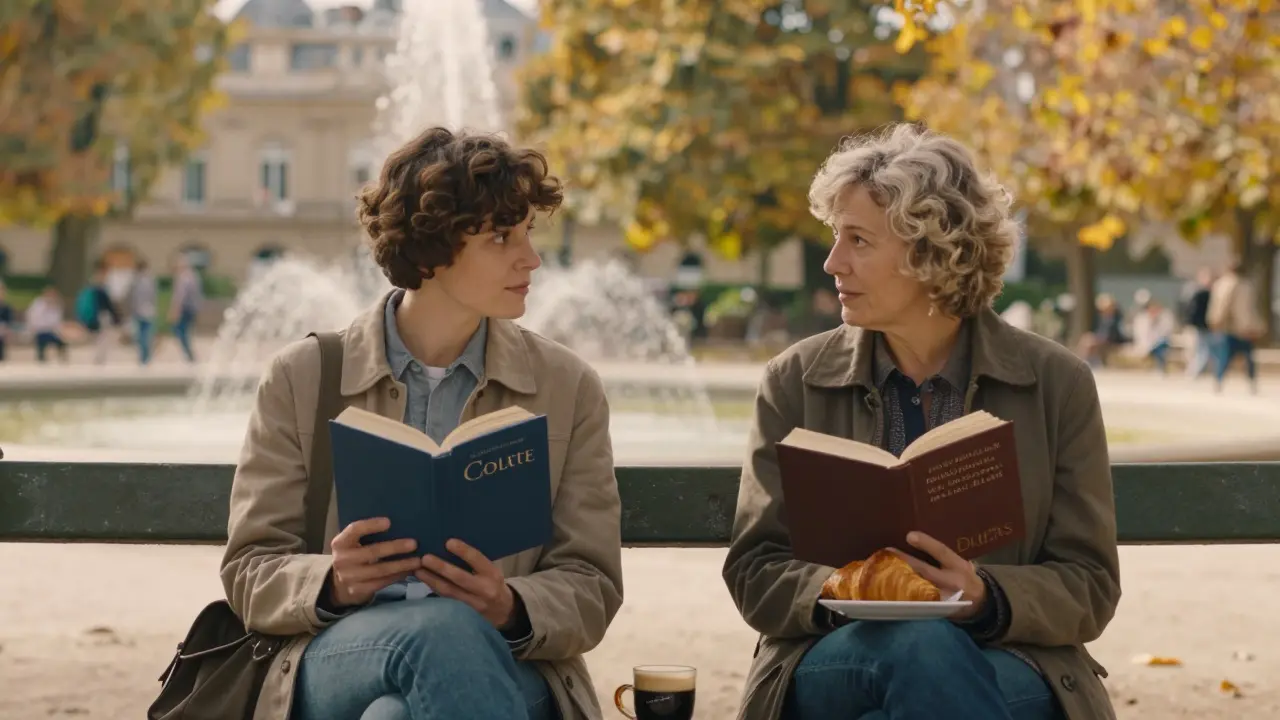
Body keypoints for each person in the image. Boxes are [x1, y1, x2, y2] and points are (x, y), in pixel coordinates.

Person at [220, 127, 624, 720]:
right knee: (436, 631)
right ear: (432, 248)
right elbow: (250, 570)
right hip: (337, 657)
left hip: (508, 666)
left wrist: (510, 605)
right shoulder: (302, 376)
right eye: (500, 237)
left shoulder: (567, 386)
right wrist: (332, 581)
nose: (531, 258)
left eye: (527, 233)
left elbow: (591, 582)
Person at [722, 124, 1121, 720]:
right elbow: (756, 570)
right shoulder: (794, 380)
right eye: (836, 237)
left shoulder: (1055, 384)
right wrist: (850, 588)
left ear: (931, 252)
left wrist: (985, 595)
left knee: (923, 674)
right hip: (830, 654)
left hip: (1007, 658)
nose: (833, 262)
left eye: (858, 241)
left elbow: (1088, 582)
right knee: (919, 646)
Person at [1206, 262, 1264, 394]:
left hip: (1230, 327)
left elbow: (1222, 305)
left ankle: (1219, 381)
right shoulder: (1247, 285)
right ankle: (1251, 383)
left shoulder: (1224, 284)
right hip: (1245, 328)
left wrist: (1215, 321)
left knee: (1225, 356)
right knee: (1247, 356)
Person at [75, 261, 121, 364]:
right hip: (101, 314)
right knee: (103, 337)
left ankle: (98, 357)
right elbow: (106, 302)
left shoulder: (91, 284)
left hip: (96, 314)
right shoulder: (101, 285)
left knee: (99, 337)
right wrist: (115, 315)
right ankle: (99, 358)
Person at [168, 255, 202, 362]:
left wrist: (174, 310)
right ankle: (189, 354)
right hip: (191, 309)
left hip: (185, 309)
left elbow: (180, 296)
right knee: (184, 331)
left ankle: (189, 355)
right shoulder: (194, 276)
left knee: (180, 330)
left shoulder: (184, 278)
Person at [25, 285, 69, 363]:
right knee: (42, 340)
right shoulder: (38, 305)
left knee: (61, 342)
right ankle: (41, 358)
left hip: (51, 331)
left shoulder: (56, 306)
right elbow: (33, 318)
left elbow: (57, 322)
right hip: (40, 331)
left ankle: (61, 358)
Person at [129, 259, 159, 364]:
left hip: (139, 312)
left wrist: (133, 310)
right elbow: (153, 297)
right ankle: (146, 357)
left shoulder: (136, 281)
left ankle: (143, 357)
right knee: (147, 335)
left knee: (141, 336)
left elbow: (134, 298)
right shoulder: (150, 280)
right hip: (149, 311)